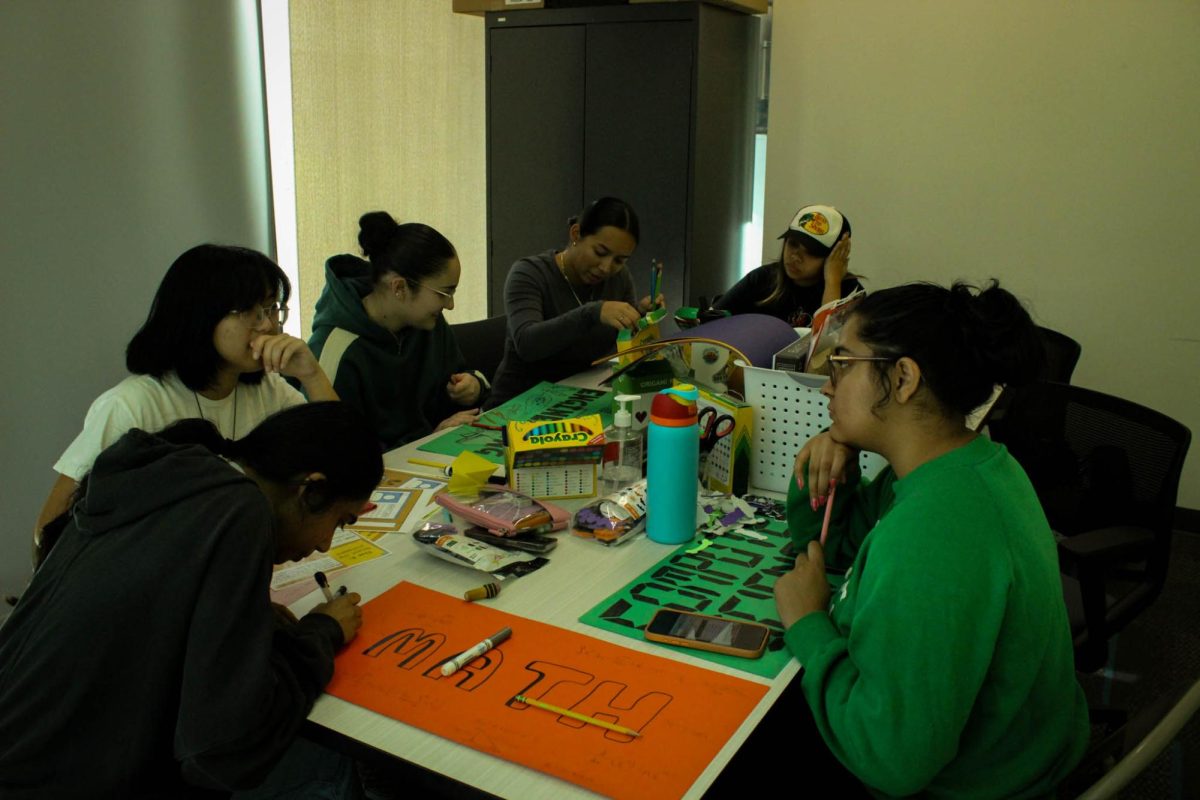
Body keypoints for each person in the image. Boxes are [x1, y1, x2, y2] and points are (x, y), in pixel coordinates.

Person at [771, 281, 1089, 797]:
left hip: (970, 784)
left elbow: (891, 760)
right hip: (1014, 750)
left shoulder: (937, 529)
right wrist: (833, 459)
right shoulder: (955, 465)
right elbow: (841, 549)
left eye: (843, 364)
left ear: (901, 378)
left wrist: (808, 625)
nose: (827, 386)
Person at [0, 402, 382, 798]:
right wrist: (319, 636)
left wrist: (250, 615)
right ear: (311, 489)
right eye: (339, 522)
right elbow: (223, 750)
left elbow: (146, 599)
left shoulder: (181, 478)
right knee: (331, 758)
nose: (325, 543)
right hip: (66, 781)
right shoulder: (241, 511)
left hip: (22, 749)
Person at [33, 244, 337, 564]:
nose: (268, 325)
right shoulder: (133, 406)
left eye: (273, 307)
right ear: (201, 316)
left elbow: (341, 457)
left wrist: (312, 375)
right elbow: (49, 531)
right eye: (251, 310)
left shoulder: (268, 390)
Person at [309, 212, 483, 450]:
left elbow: (456, 379)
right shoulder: (337, 349)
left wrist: (473, 386)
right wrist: (429, 437)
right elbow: (341, 452)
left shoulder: (429, 323)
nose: (450, 305)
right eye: (444, 293)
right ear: (399, 287)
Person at [486, 197, 659, 409]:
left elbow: (625, 343)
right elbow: (527, 344)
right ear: (576, 234)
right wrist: (592, 312)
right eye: (600, 252)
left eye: (619, 260)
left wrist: (640, 316)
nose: (606, 267)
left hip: (577, 398)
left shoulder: (619, 278)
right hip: (518, 405)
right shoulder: (529, 273)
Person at [714, 204, 860, 327]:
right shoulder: (763, 278)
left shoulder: (850, 290)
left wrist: (832, 283)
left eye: (811, 252)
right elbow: (712, 319)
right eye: (792, 244)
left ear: (834, 257)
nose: (795, 256)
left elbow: (827, 348)